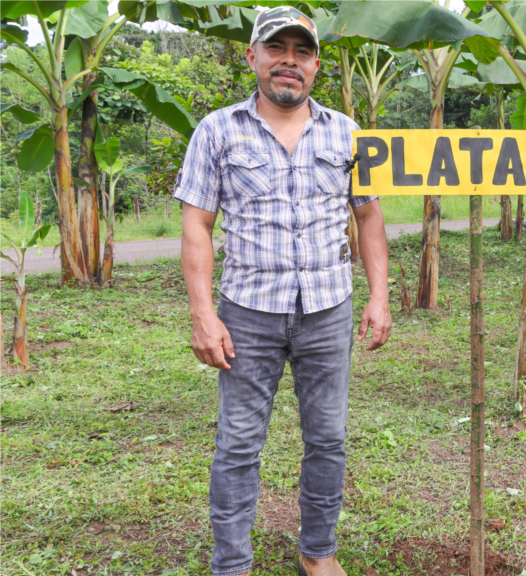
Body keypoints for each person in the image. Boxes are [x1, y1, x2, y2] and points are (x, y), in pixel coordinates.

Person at [175, 7, 391, 576]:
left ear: (316, 64)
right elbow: (196, 224)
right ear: (253, 57)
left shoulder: (347, 132)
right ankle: (232, 564)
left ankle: (317, 552)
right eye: (277, 49)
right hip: (247, 313)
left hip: (327, 310)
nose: (288, 62)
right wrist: (202, 313)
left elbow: (368, 218)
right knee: (239, 443)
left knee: (328, 439)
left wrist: (379, 297)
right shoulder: (217, 130)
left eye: (301, 51)